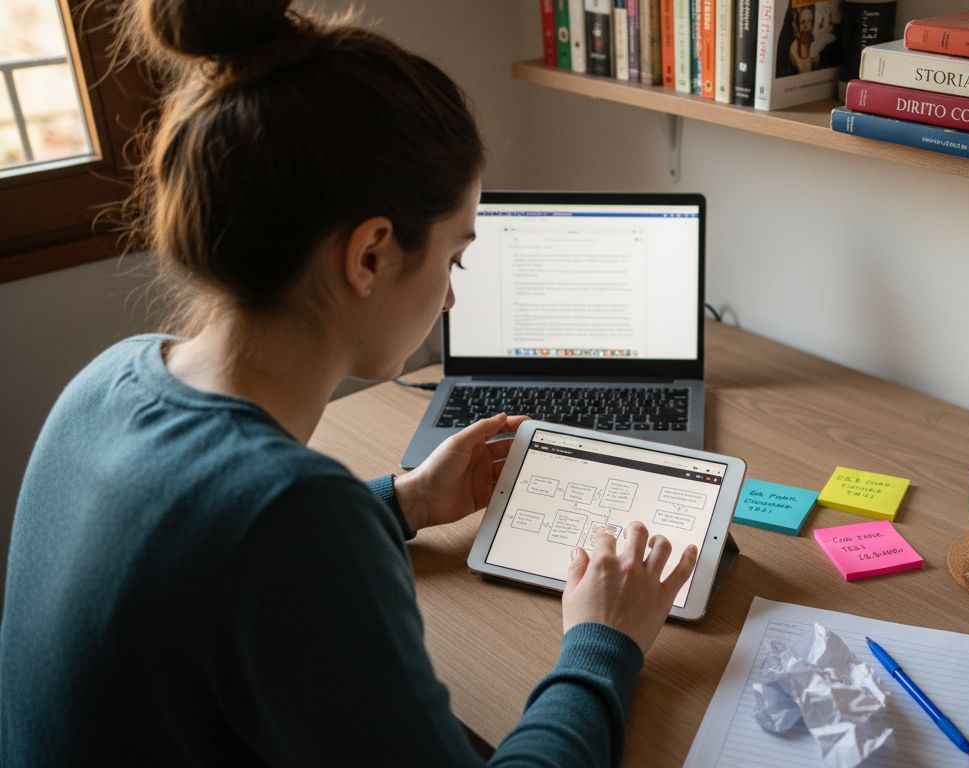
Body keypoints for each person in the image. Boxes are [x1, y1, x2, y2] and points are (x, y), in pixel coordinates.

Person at [0, 1, 697, 765]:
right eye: (455, 258)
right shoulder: (293, 520)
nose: (453, 296)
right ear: (369, 255)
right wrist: (604, 640)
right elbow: (268, 536)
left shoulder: (109, 378)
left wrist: (402, 502)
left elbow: (204, 549)